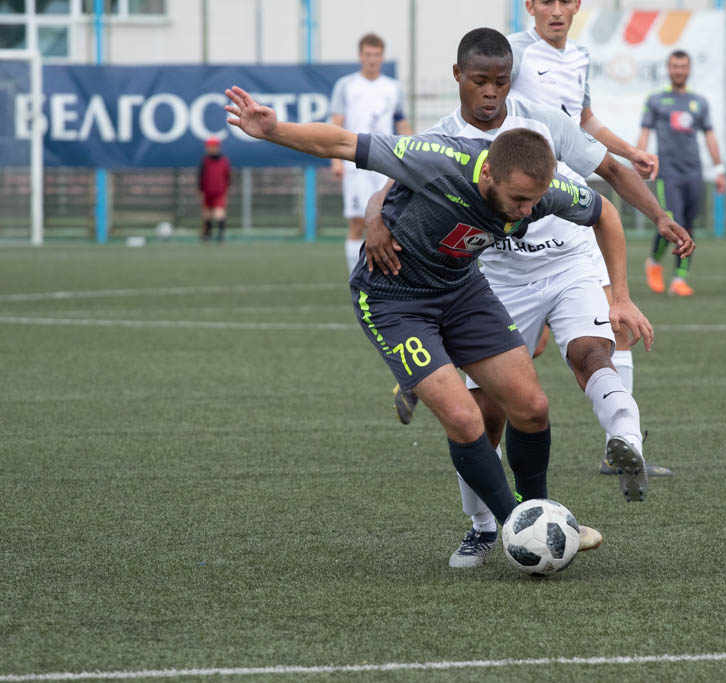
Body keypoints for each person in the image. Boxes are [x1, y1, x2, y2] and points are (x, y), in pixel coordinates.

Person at [224, 84, 654, 562]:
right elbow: (343, 142)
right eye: (518, 199)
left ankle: (540, 517)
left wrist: (621, 296)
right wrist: (274, 130)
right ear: (488, 173)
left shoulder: (541, 193)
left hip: (462, 291)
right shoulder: (438, 159)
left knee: (532, 407)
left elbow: (604, 213)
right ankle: (516, 527)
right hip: (393, 301)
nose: (527, 212)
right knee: (466, 418)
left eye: (534, 202)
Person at [365, 29, 693, 568]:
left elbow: (610, 172)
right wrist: (374, 219)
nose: (491, 92)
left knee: (582, 361)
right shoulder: (443, 137)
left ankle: (607, 453)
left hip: (567, 260)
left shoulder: (543, 120)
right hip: (496, 276)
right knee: (484, 414)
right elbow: (390, 179)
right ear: (460, 78)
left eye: (501, 81)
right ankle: (481, 526)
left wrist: (657, 218)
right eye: (482, 81)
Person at [507, 0, 675, 480]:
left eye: (565, 1)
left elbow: (583, 120)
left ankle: (619, 445)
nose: (556, 11)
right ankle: (431, 376)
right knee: (520, 349)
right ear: (530, 6)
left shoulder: (579, 56)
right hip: (523, 209)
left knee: (614, 322)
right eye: (546, 1)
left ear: (577, 5)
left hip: (572, 208)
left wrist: (629, 151)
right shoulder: (513, 53)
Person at [638, 49, 726, 297]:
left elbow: (710, 136)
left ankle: (679, 278)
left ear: (689, 69)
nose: (679, 71)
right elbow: (644, 132)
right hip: (668, 173)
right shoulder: (656, 100)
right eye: (675, 67)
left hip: (693, 173)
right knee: (671, 222)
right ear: (669, 69)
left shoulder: (700, 102)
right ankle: (653, 262)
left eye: (683, 67)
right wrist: (640, 158)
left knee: (688, 225)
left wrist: (719, 169)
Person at [328, 33, 412, 274]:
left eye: (376, 55)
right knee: (357, 222)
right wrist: (335, 161)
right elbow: (336, 124)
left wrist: (412, 154)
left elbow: (402, 124)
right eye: (368, 54)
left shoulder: (393, 88)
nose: (372, 59)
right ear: (360, 56)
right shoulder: (346, 86)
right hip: (355, 163)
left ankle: (386, 276)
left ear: (382, 57)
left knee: (389, 221)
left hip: (385, 164)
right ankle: (356, 276)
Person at [197, 137, 231, 242]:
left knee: (219, 213)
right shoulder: (205, 161)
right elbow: (200, 177)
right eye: (209, 147)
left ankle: (220, 236)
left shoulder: (224, 161)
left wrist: (226, 190)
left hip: (219, 192)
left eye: (213, 146)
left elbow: (228, 177)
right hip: (207, 192)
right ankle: (207, 235)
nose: (211, 149)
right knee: (207, 214)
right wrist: (200, 190)